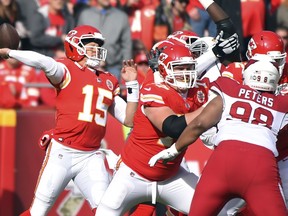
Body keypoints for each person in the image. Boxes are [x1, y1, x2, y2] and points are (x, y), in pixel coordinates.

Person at [0, 25, 139, 216]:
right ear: (76, 46)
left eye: (97, 46)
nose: (96, 50)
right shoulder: (66, 69)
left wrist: (132, 85)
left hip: (92, 155)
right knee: (38, 212)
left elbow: (129, 119)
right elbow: (42, 61)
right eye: (91, 46)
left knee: (107, 212)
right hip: (63, 151)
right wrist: (10, 52)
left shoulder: (108, 79)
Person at [149, 54, 288, 216]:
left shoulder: (229, 88)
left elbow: (199, 124)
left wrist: (174, 150)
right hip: (261, 165)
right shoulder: (282, 103)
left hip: (222, 162)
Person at [96, 42, 208, 216]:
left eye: (189, 67)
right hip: (134, 173)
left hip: (171, 175)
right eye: (179, 68)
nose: (185, 73)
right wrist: (211, 108)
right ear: (163, 70)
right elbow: (173, 127)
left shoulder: (198, 91)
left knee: (217, 209)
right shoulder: (153, 89)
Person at [77, 0, 132, 82]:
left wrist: (126, 67)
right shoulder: (85, 15)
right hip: (88, 64)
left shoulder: (121, 16)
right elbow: (78, 40)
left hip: (113, 66)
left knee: (112, 93)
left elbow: (126, 45)